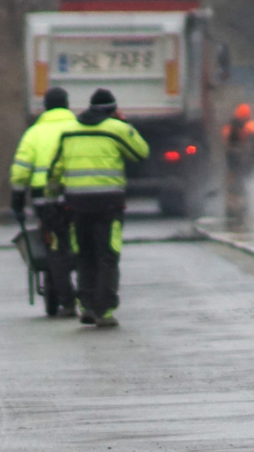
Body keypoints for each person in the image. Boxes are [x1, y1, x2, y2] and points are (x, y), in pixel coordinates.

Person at [48, 88, 150, 327]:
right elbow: (141, 153)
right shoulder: (116, 130)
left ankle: (87, 306)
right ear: (113, 110)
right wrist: (124, 124)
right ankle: (104, 310)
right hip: (108, 204)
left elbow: (55, 170)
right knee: (107, 255)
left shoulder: (69, 131)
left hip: (76, 204)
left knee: (84, 255)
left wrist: (52, 199)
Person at [10, 87, 80, 317]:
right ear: (67, 104)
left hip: (44, 200)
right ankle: (88, 295)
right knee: (82, 243)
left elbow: (21, 172)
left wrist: (18, 201)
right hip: (77, 196)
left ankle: (65, 300)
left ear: (46, 107)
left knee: (56, 247)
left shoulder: (35, 133)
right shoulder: (78, 128)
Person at [221, 103, 254, 222]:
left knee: (236, 189)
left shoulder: (228, 129)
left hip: (235, 165)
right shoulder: (252, 127)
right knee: (241, 188)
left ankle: (234, 213)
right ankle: (240, 212)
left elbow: (227, 147)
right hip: (243, 165)